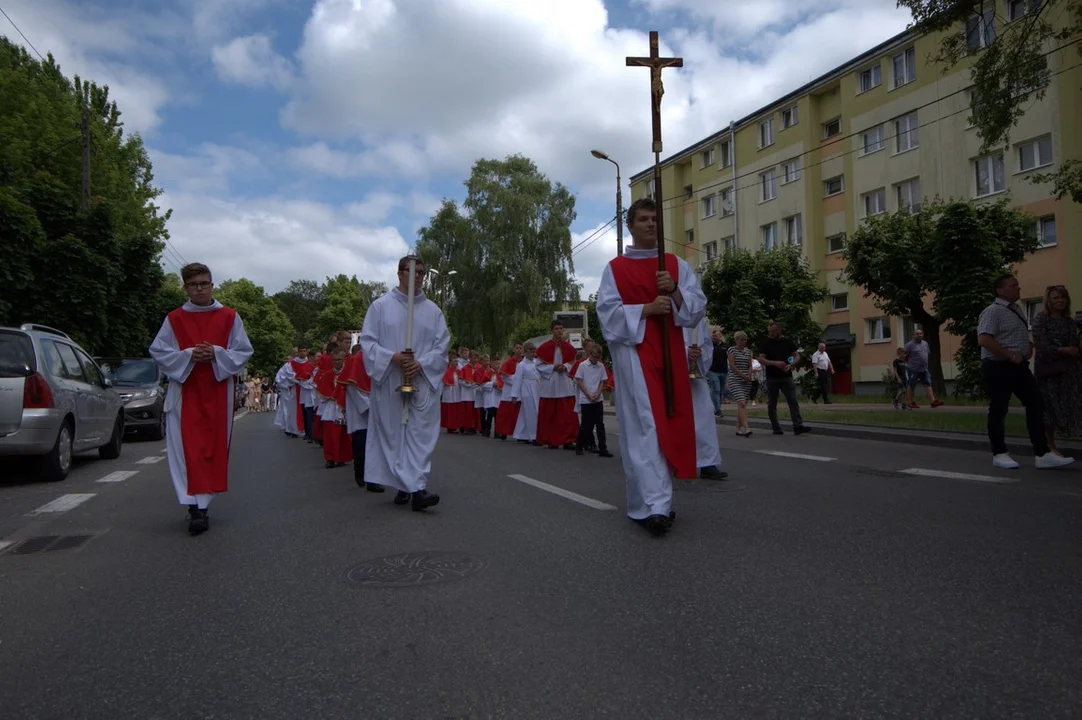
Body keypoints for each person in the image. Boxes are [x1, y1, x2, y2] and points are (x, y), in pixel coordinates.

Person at [596, 197, 706, 536]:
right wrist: (645, 309)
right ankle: (655, 505)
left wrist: (673, 291)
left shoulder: (675, 265)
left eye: (655, 218)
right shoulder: (615, 269)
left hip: (671, 355)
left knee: (665, 426)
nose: (650, 224)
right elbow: (607, 317)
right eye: (643, 219)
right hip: (635, 358)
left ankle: (653, 504)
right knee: (645, 430)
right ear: (629, 226)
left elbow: (695, 309)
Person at [149, 262, 253, 536]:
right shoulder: (174, 319)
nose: (199, 288)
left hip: (218, 390)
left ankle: (202, 506)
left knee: (211, 448)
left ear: (212, 285)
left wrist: (217, 353)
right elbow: (158, 351)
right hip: (185, 392)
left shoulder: (230, 316)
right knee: (187, 450)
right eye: (194, 284)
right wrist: (188, 356)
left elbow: (243, 350)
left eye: (204, 283)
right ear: (185, 288)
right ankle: (195, 508)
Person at [360, 255, 450, 510]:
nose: (418, 276)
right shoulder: (380, 307)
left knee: (420, 436)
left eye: (422, 272)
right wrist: (393, 358)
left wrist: (421, 363)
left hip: (421, 381)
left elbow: (442, 347)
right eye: (412, 271)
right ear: (399, 273)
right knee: (394, 435)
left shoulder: (433, 311)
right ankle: (406, 484)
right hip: (390, 381)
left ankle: (417, 488)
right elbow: (367, 343)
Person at [977, 273, 1073, 470]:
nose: (1018, 288)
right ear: (1000, 290)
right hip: (997, 366)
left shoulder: (1017, 309)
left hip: (1018, 366)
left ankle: (1042, 453)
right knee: (999, 408)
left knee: (1036, 403)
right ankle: (999, 453)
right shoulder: (992, 311)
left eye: (1018, 285)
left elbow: (1011, 335)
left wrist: (1026, 346)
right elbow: (984, 340)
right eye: (1014, 286)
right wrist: (1010, 354)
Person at [1032, 284, 1082, 457]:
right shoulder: (1041, 320)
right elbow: (1042, 347)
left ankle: (1069, 438)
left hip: (1070, 371)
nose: (1060, 300)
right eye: (1056, 297)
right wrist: (1062, 350)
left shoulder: (1069, 322)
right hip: (1050, 372)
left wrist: (1073, 350)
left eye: (1063, 297)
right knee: (1050, 409)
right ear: (1049, 300)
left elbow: (1075, 345)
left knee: (1072, 406)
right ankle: (1050, 446)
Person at [685, 318, 727, 479]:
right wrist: (684, 352)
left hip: (696, 381)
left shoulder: (696, 319)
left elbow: (706, 344)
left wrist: (700, 353)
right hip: (671, 377)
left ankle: (707, 462)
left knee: (704, 419)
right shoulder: (664, 311)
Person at [757, 320, 810, 436]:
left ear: (780, 331)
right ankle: (776, 427)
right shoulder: (765, 343)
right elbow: (761, 359)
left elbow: (796, 355)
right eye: (770, 331)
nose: (771, 334)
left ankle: (798, 426)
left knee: (792, 400)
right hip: (772, 378)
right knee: (772, 403)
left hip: (786, 376)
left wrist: (791, 365)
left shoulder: (787, 342)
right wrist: (774, 363)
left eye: (773, 331)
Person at [535, 322, 580, 450]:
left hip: (564, 382)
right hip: (550, 383)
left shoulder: (569, 347)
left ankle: (568, 440)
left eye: (561, 329)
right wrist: (553, 367)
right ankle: (551, 439)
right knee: (551, 414)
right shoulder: (544, 348)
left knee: (566, 414)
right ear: (552, 331)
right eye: (556, 329)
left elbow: (573, 363)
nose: (559, 331)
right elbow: (538, 366)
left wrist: (565, 367)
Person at [341, 343, 377, 490]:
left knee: (375, 447)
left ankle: (374, 479)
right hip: (361, 413)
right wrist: (370, 408)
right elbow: (353, 388)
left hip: (375, 410)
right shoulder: (355, 362)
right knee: (361, 445)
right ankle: (360, 474)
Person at [573, 342, 613, 458]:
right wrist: (588, 395)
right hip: (586, 399)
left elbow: (602, 381)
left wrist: (598, 393)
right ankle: (580, 445)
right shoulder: (583, 366)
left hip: (597, 398)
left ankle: (603, 448)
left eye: (598, 357)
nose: (596, 359)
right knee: (586, 424)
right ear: (590, 354)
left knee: (600, 424)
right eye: (594, 356)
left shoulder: (600, 366)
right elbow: (579, 381)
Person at [902, 329, 943, 408]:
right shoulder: (909, 345)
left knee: (927, 384)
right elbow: (904, 356)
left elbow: (926, 354)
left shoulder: (925, 344)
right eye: (917, 334)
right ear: (914, 335)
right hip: (913, 369)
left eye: (920, 333)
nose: (919, 335)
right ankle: (911, 402)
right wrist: (908, 365)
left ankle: (933, 401)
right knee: (911, 385)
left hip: (924, 368)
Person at [511, 343, 542, 444]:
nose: (533, 353)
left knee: (526, 414)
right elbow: (517, 380)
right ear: (526, 351)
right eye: (530, 350)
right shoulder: (521, 365)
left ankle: (522, 434)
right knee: (531, 413)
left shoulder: (537, 362)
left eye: (534, 350)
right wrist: (514, 395)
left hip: (537, 388)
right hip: (527, 390)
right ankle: (533, 436)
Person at [706, 327, 728, 417]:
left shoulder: (726, 346)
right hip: (712, 371)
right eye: (713, 336)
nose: (714, 337)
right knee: (716, 389)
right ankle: (718, 410)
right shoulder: (709, 346)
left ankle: (716, 408)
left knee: (721, 391)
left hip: (723, 371)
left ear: (720, 336)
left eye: (716, 336)